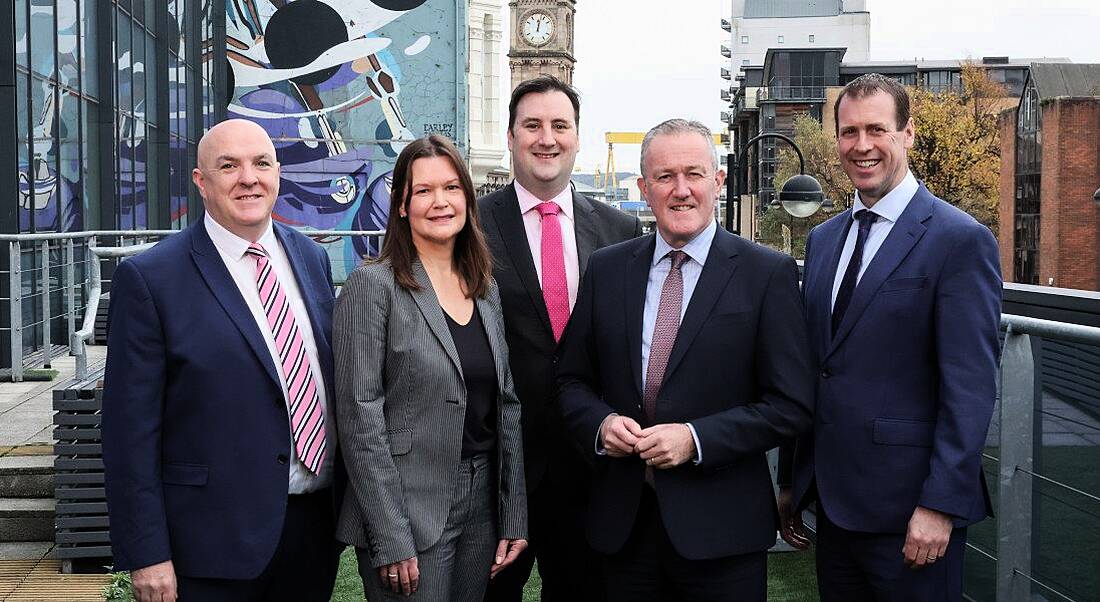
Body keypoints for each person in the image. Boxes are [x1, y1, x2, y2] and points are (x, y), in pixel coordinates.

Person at [556, 119, 816, 601]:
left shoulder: (766, 273)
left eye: (694, 174)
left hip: (723, 535)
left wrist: (696, 439)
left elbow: (792, 405)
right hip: (624, 529)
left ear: (717, 182)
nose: (681, 191)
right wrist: (601, 424)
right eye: (664, 177)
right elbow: (570, 380)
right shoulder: (608, 269)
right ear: (643, 188)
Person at [777, 73, 1001, 601]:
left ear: (908, 134)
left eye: (876, 129)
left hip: (913, 515)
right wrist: (792, 479)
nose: (861, 146)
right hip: (833, 505)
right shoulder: (827, 238)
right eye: (848, 132)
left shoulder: (960, 240)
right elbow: (815, 368)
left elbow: (969, 388)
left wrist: (940, 505)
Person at [101, 119, 344, 602]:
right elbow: (129, 433)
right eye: (228, 166)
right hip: (209, 545)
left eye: (261, 163)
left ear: (278, 173)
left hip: (313, 530)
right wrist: (147, 552)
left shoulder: (311, 258)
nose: (248, 178)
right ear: (200, 181)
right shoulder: (151, 279)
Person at [334, 135, 528, 601]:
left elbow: (507, 404)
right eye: (423, 191)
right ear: (401, 205)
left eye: (452, 188)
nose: (440, 202)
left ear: (468, 197)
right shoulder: (372, 286)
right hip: (407, 506)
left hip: (482, 504)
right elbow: (360, 418)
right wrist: (391, 534)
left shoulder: (484, 288)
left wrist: (513, 513)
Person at [480, 75, 641, 602]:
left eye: (559, 126)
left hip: (592, 466)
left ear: (577, 136)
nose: (546, 138)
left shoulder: (620, 229)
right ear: (510, 136)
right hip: (498, 470)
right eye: (532, 125)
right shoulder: (472, 226)